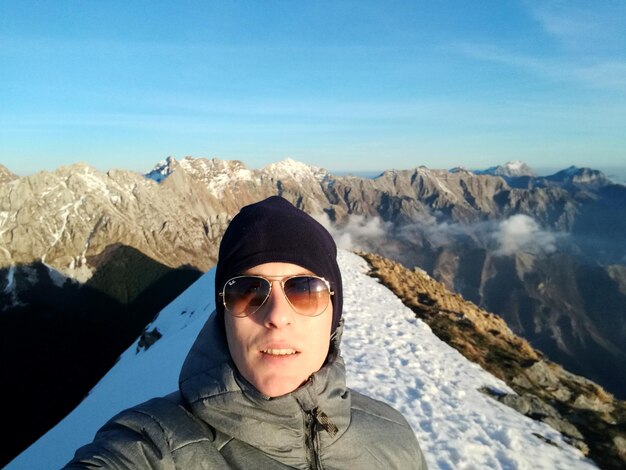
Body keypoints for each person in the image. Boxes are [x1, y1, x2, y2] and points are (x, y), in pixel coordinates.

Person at [65, 196, 428, 469]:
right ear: (223, 312)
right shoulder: (156, 442)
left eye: (304, 289)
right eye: (247, 290)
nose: (276, 315)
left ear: (335, 312)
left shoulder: (396, 438)